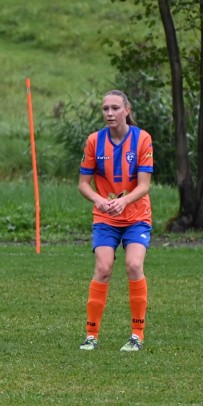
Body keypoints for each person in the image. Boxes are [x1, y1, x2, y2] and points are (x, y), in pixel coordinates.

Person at [78, 89, 154, 352]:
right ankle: (91, 335)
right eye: (105, 109)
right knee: (103, 268)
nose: (109, 113)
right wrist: (98, 200)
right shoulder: (94, 141)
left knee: (134, 264)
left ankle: (137, 335)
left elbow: (144, 185)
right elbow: (83, 184)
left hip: (136, 216)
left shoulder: (142, 139)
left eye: (115, 108)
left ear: (127, 110)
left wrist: (124, 201)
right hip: (106, 217)